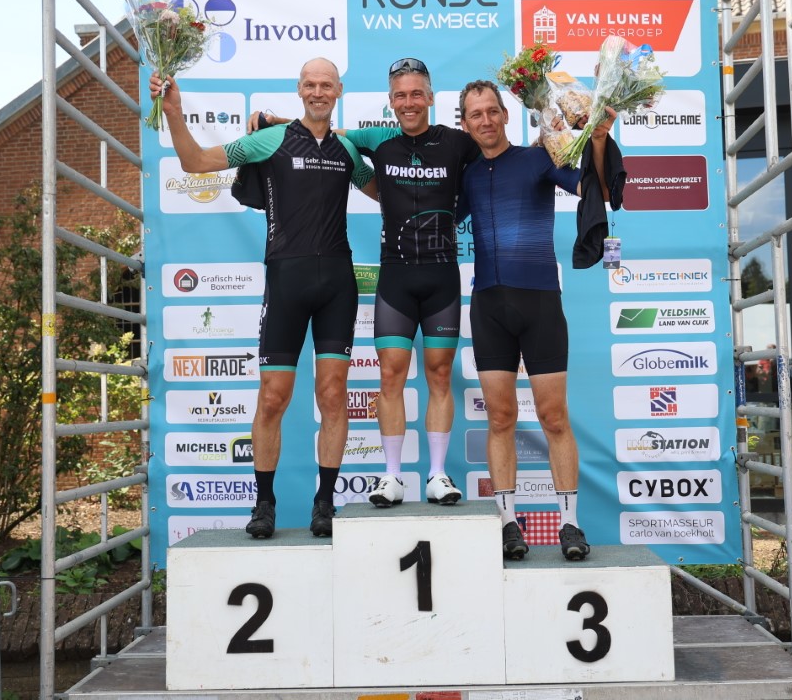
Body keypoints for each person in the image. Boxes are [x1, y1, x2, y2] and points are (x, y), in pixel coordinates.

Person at [150, 58, 375, 540]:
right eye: (310, 84)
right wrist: (173, 113)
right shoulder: (269, 140)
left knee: (333, 394)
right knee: (273, 397)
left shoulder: (348, 150)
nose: (318, 92)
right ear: (299, 89)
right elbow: (195, 162)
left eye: (326, 85)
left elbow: (386, 192)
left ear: (339, 91)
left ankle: (325, 502)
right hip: (287, 279)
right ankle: (265, 503)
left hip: (338, 283)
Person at [253, 58, 479, 509]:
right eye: (401, 95)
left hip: (441, 274)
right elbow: (324, 131)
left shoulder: (458, 143)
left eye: (417, 94)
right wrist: (273, 122)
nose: (409, 102)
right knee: (390, 374)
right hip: (396, 274)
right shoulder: (377, 139)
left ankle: (437, 474)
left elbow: (497, 154)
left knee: (439, 374)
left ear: (431, 98)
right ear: (391, 102)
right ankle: (392, 476)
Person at [458, 79, 618, 561]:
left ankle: (570, 523)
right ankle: (508, 523)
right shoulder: (464, 174)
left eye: (492, 110)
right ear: (464, 124)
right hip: (488, 307)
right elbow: (424, 204)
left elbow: (594, 188)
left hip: (540, 304)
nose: (486, 120)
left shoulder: (537, 158)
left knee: (553, 417)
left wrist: (597, 137)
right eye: (475, 114)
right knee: (500, 418)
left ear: (506, 114)